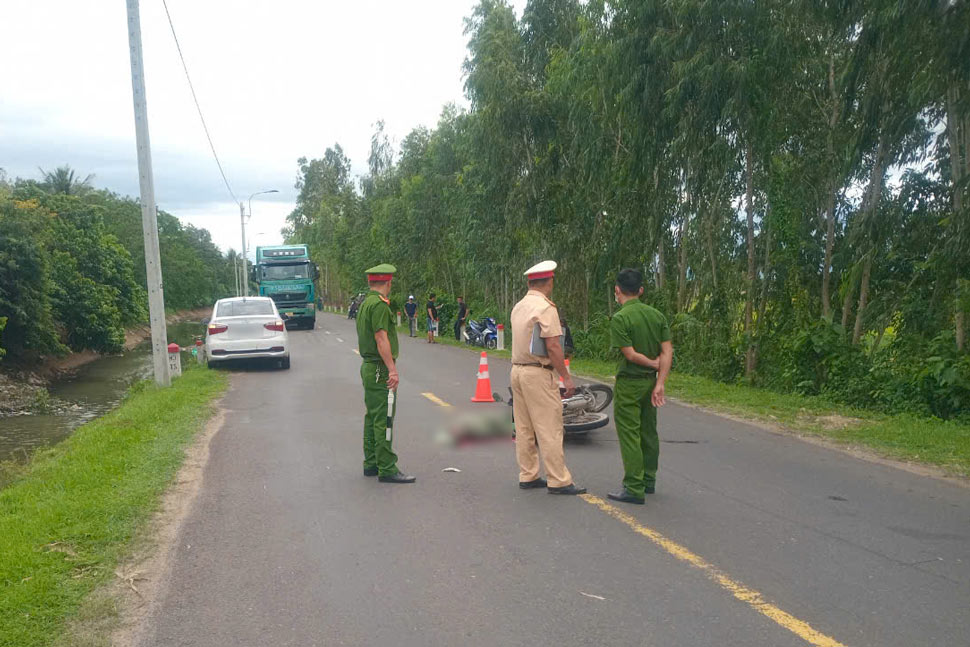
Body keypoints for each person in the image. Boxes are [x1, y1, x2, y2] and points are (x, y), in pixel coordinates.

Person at [509, 260, 586, 495]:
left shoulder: (519, 306)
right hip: (538, 373)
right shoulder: (546, 308)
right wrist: (566, 377)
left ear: (530, 282)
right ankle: (559, 480)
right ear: (549, 282)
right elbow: (553, 345)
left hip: (517, 370)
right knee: (550, 427)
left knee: (524, 427)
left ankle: (528, 474)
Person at [607, 268, 673, 504]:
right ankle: (648, 480)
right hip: (651, 383)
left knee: (629, 434)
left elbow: (631, 355)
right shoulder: (657, 316)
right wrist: (660, 381)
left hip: (630, 383)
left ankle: (633, 487)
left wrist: (652, 363)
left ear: (617, 290)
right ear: (641, 290)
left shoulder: (620, 318)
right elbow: (668, 351)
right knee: (649, 431)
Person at [356, 264, 415, 484]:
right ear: (388, 283)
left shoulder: (365, 304)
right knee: (384, 418)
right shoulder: (379, 306)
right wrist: (392, 369)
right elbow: (381, 339)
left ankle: (371, 462)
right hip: (380, 368)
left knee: (372, 416)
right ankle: (387, 467)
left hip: (368, 367)